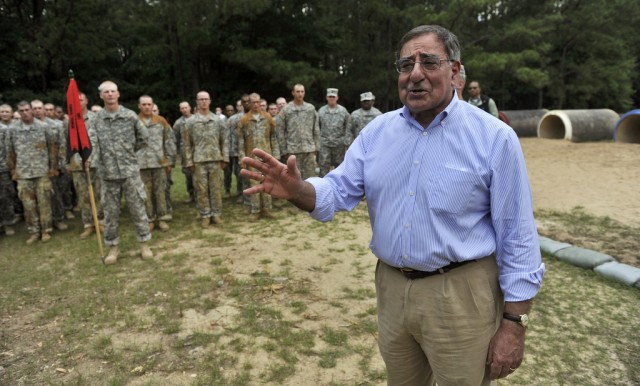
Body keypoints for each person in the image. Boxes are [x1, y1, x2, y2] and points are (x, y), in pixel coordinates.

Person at [240, 25, 544, 386]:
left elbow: (517, 236)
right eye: (405, 65)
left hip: (462, 295)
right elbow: (336, 191)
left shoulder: (494, 138)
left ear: (456, 72)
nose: (415, 74)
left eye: (429, 62)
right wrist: (298, 190)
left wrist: (514, 325)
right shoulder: (376, 133)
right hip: (393, 289)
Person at [86, 80, 153, 264]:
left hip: (130, 172)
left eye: (112, 91)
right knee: (110, 213)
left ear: (118, 94)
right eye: (106, 92)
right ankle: (113, 248)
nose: (109, 94)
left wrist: (128, 154)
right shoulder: (96, 120)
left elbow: (143, 138)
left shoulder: (130, 116)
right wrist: (91, 158)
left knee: (138, 209)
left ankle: (144, 245)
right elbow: (93, 143)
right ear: (101, 95)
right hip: (107, 175)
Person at [7, 101, 59, 245]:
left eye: (27, 110)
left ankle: (46, 230)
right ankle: (33, 231)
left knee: (44, 203)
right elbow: (9, 151)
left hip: (42, 171)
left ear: (32, 110)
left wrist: (53, 168)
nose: (25, 113)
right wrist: (13, 170)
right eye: (21, 110)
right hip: (23, 173)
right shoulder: (12, 129)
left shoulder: (44, 127)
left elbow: (52, 149)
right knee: (28, 205)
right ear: (18, 112)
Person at [183, 91, 229, 228]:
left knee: (215, 188)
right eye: (201, 99)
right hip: (199, 160)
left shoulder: (218, 120)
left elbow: (224, 140)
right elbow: (187, 144)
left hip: (215, 159)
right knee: (201, 190)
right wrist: (189, 161)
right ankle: (205, 215)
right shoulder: (190, 122)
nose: (203, 102)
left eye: (206, 99)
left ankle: (216, 213)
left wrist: (225, 158)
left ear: (210, 101)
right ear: (196, 102)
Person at [66, 93, 103, 239]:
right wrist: (67, 163)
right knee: (83, 196)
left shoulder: (96, 119)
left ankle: (101, 221)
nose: (78, 102)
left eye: (80, 100)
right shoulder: (69, 121)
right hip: (77, 165)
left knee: (99, 194)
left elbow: (102, 141)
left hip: (96, 163)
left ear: (86, 101)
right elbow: (65, 143)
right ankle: (88, 225)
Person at [238, 93, 279, 221]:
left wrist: (276, 156)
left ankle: (267, 209)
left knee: (267, 182)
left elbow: (273, 138)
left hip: (266, 157)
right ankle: (256, 210)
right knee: (254, 183)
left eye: (257, 102)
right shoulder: (244, 120)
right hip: (251, 158)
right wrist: (242, 158)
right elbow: (240, 141)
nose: (255, 105)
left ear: (260, 102)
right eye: (252, 102)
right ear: (248, 103)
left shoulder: (268, 118)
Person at [137, 95, 176, 231]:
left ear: (153, 105)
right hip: (141, 165)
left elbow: (169, 141)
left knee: (160, 192)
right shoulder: (134, 122)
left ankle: (162, 218)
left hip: (159, 163)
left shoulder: (161, 121)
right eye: (144, 104)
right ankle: (150, 219)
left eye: (149, 104)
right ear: (139, 106)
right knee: (145, 193)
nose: (147, 107)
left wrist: (170, 161)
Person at [31, 99, 70, 229]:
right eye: (34, 108)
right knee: (38, 197)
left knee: (55, 194)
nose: (37, 111)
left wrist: (60, 165)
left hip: (53, 166)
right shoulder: (27, 126)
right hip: (35, 167)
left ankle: (58, 219)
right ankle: (43, 224)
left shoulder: (56, 125)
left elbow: (62, 146)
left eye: (39, 108)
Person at [276, 84, 319, 179]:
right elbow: (280, 131)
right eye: (298, 91)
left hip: (309, 149)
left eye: (302, 91)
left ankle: (309, 194)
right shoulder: (286, 110)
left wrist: (316, 147)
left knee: (310, 178)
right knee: (294, 179)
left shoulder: (310, 108)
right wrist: (284, 150)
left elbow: (316, 129)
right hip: (293, 150)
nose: (300, 94)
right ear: (293, 93)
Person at [317, 88, 351, 177]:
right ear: (326, 97)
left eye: (333, 96)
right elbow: (317, 126)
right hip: (325, 144)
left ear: (337, 98)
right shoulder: (321, 111)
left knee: (339, 167)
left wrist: (346, 142)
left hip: (339, 144)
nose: (331, 98)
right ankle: (322, 186)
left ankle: (339, 188)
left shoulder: (343, 111)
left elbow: (348, 126)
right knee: (323, 167)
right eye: (330, 96)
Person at [225, 94, 250, 201]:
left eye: (249, 101)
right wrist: (228, 153)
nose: (247, 103)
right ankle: (241, 193)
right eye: (244, 102)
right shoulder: (233, 119)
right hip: (237, 151)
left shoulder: (258, 116)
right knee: (240, 174)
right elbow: (227, 136)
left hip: (253, 150)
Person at [173, 101, 195, 203]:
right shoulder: (178, 123)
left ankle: (201, 195)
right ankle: (191, 194)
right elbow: (175, 140)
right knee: (188, 175)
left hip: (198, 153)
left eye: (186, 107)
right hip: (185, 154)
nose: (184, 110)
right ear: (180, 110)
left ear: (190, 108)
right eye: (182, 108)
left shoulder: (197, 120)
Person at [0, 104, 16, 236]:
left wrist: (10, 167)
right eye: (2, 112)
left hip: (3, 168)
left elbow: (8, 150)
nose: (4, 114)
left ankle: (8, 223)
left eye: (7, 112)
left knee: (5, 197)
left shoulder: (5, 130)